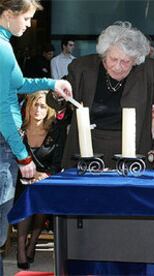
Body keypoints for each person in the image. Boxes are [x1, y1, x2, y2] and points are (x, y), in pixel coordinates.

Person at [0, 0, 72, 273]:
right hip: (4, 145)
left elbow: (18, 85)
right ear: (9, 14)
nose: (29, 25)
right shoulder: (2, 47)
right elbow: (4, 109)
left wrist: (53, 83)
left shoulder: (5, 46)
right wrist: (22, 155)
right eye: (27, 18)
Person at [60, 21, 154, 169]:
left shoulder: (149, 70)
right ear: (104, 54)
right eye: (113, 59)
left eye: (125, 62)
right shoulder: (82, 67)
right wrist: (57, 96)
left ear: (136, 61)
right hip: (87, 147)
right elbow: (62, 102)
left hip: (134, 150)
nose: (117, 66)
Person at [16, 91, 66, 269]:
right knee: (28, 193)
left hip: (46, 180)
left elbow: (58, 162)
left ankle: (32, 243)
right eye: (34, 105)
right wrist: (29, 173)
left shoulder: (56, 131)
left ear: (49, 110)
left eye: (43, 106)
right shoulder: (18, 129)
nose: (38, 110)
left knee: (41, 193)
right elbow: (12, 159)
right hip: (19, 179)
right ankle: (21, 248)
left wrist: (45, 175)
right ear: (28, 107)